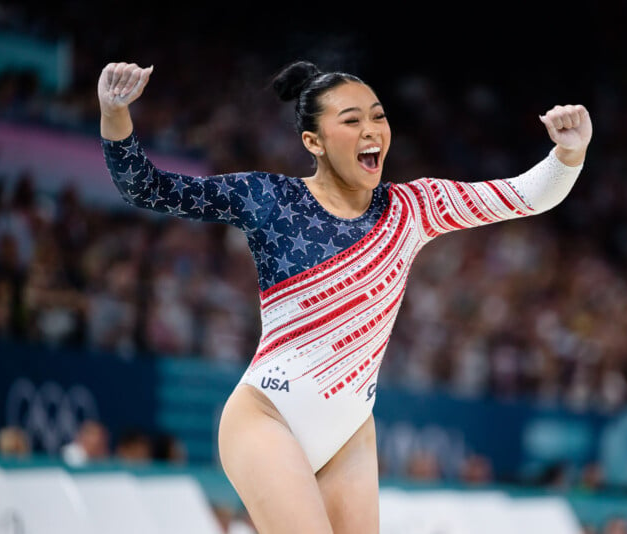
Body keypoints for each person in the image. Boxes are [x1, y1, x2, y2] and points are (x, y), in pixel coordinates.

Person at [98, 59, 592, 533]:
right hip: (267, 417)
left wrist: (569, 152)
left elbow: (526, 194)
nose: (372, 130)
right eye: (351, 120)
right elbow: (149, 189)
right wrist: (115, 114)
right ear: (312, 140)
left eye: (378, 116)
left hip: (349, 432)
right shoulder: (271, 200)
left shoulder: (413, 208)